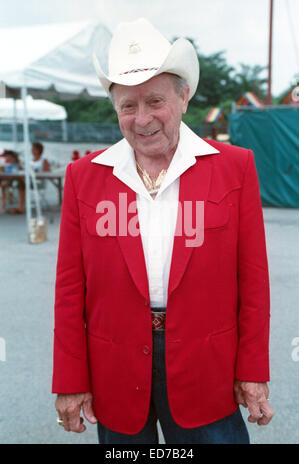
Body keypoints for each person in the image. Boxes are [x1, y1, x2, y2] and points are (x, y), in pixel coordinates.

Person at [52, 18, 274, 444]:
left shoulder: (235, 167)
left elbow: (254, 283)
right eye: (128, 106)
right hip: (114, 367)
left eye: (155, 101)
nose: (142, 119)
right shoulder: (84, 176)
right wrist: (70, 379)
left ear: (183, 97)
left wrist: (252, 371)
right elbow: (68, 289)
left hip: (207, 366)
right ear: (115, 109)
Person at [0, 150, 25, 214]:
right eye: (5, 156)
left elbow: (20, 173)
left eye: (7, 156)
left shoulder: (17, 165)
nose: (5, 157)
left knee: (4, 185)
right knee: (3, 184)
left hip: (13, 181)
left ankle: (4, 205)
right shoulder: (5, 164)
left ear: (11, 156)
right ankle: (3, 205)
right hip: (5, 180)